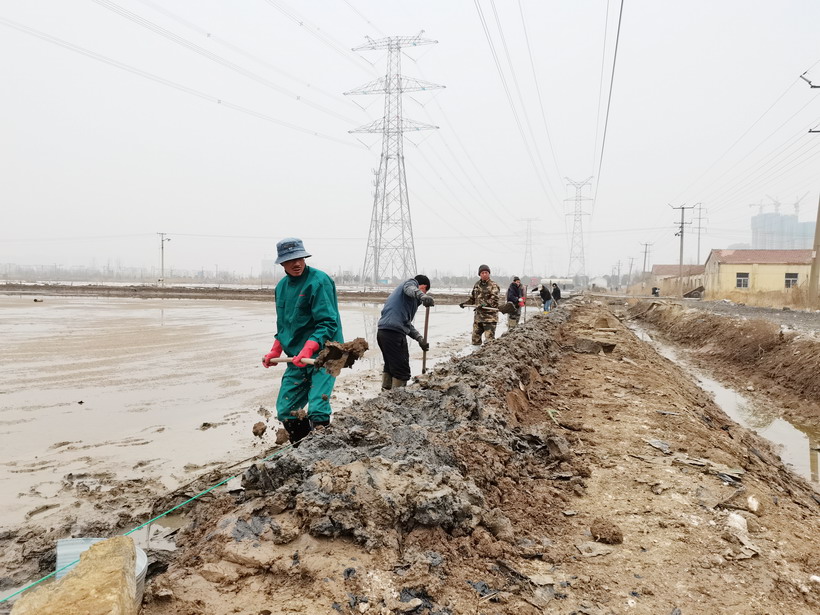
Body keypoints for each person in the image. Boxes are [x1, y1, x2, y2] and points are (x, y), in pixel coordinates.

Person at [261, 237, 343, 445]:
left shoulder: (319, 281)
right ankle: (302, 449)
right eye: (290, 260)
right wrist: (275, 350)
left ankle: (322, 450)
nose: (296, 263)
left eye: (299, 258)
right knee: (286, 409)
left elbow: (328, 322)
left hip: (325, 354)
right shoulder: (281, 287)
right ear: (282, 263)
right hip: (297, 357)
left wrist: (308, 349)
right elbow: (284, 325)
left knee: (317, 407)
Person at [377, 275, 434, 390]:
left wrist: (419, 339)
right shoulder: (410, 283)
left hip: (383, 333)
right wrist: (422, 296)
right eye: (424, 291)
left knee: (390, 366)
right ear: (423, 287)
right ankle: (397, 397)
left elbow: (406, 324)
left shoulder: (404, 301)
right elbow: (410, 288)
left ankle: (385, 394)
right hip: (393, 334)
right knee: (402, 371)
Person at [460, 264, 501, 345]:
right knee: (475, 339)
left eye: (486, 272)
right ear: (480, 274)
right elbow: (473, 298)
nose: (484, 274)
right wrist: (465, 304)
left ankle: (489, 353)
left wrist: (483, 305)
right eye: (482, 273)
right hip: (478, 318)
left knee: (489, 341)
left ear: (489, 273)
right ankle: (476, 352)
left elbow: (494, 300)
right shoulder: (477, 285)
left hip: (489, 318)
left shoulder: (493, 285)